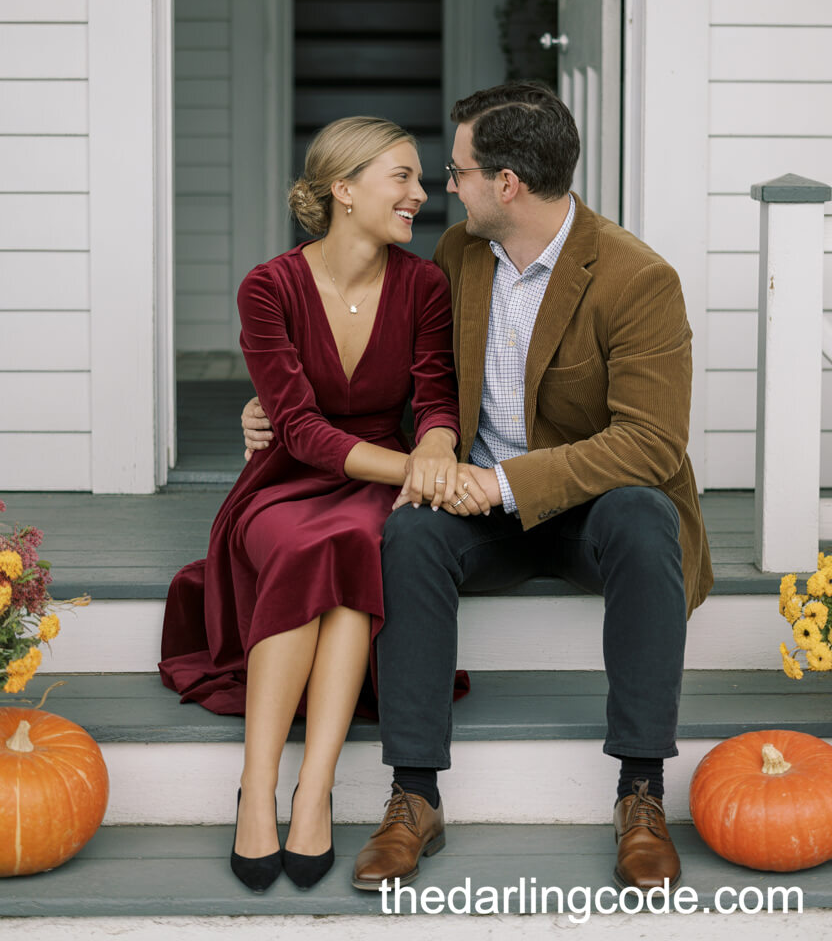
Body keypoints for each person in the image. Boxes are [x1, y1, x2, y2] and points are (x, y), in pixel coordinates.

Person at [242, 80, 715, 895]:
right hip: (474, 505)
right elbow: (410, 371)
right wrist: (275, 407)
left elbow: (651, 442)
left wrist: (500, 483)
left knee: (646, 515)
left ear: (507, 184)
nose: (442, 188)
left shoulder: (637, 278)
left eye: (457, 171)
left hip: (587, 506)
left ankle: (640, 791)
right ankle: (414, 796)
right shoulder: (460, 256)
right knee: (409, 532)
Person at [159, 116, 470, 894]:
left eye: (420, 178)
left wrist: (436, 448)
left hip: (375, 483)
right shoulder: (269, 287)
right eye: (401, 176)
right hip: (285, 479)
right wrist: (417, 468)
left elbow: (436, 396)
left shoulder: (425, 284)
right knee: (305, 544)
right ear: (345, 189)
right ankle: (256, 789)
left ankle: (313, 789)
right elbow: (294, 428)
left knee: (361, 541)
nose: (420, 194)